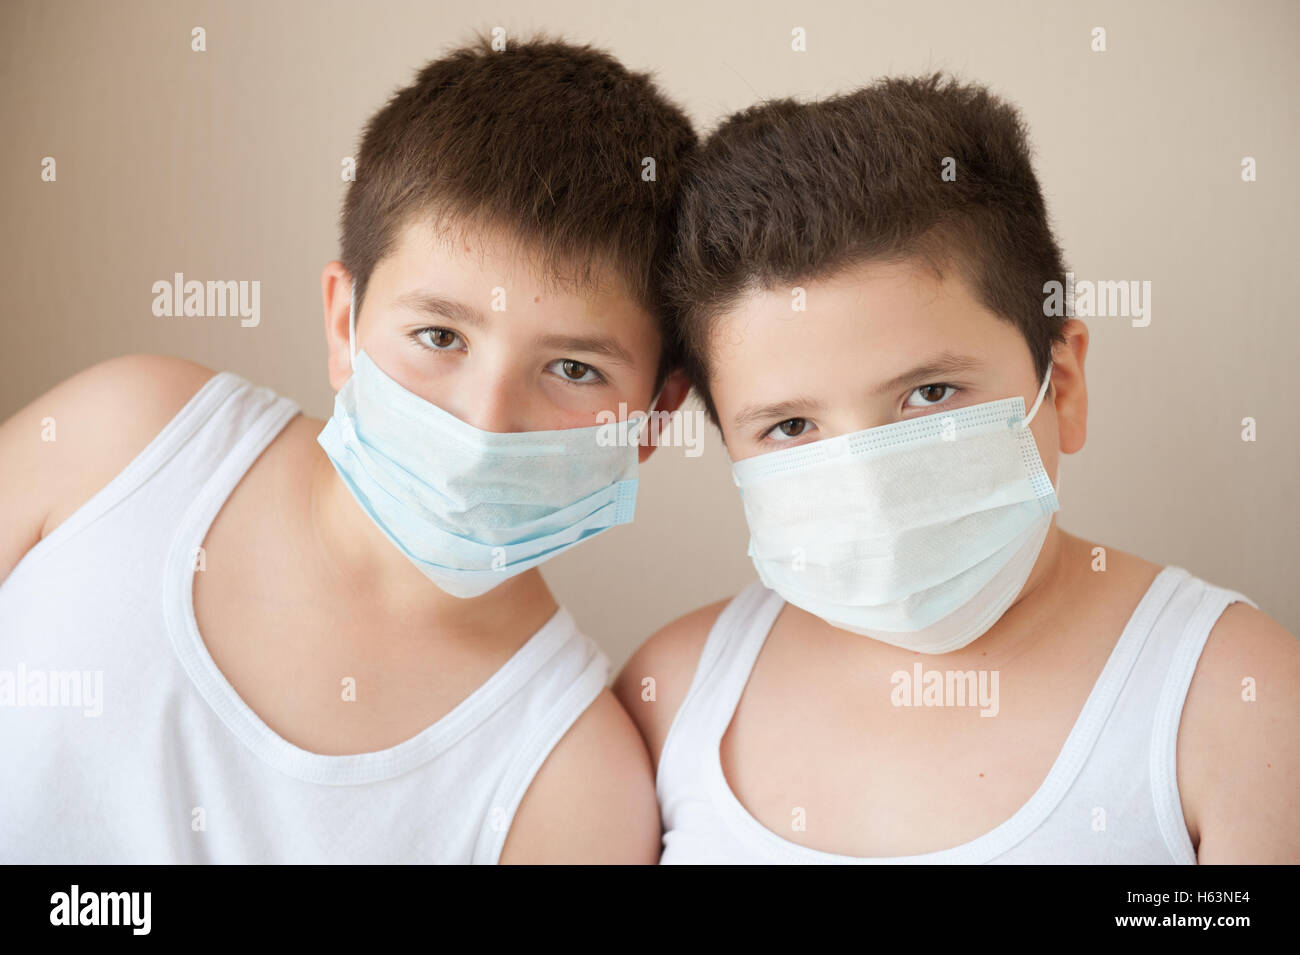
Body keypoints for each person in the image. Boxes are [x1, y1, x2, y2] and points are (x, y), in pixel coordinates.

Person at [0, 35, 694, 863]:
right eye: (439, 334)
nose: (483, 422)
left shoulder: (575, 788)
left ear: (654, 417)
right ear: (344, 323)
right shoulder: (124, 438)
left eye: (573, 368)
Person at [616, 74, 1299, 863]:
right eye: (791, 425)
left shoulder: (1236, 701)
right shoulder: (672, 694)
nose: (870, 488)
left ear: (1063, 386)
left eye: (928, 393)